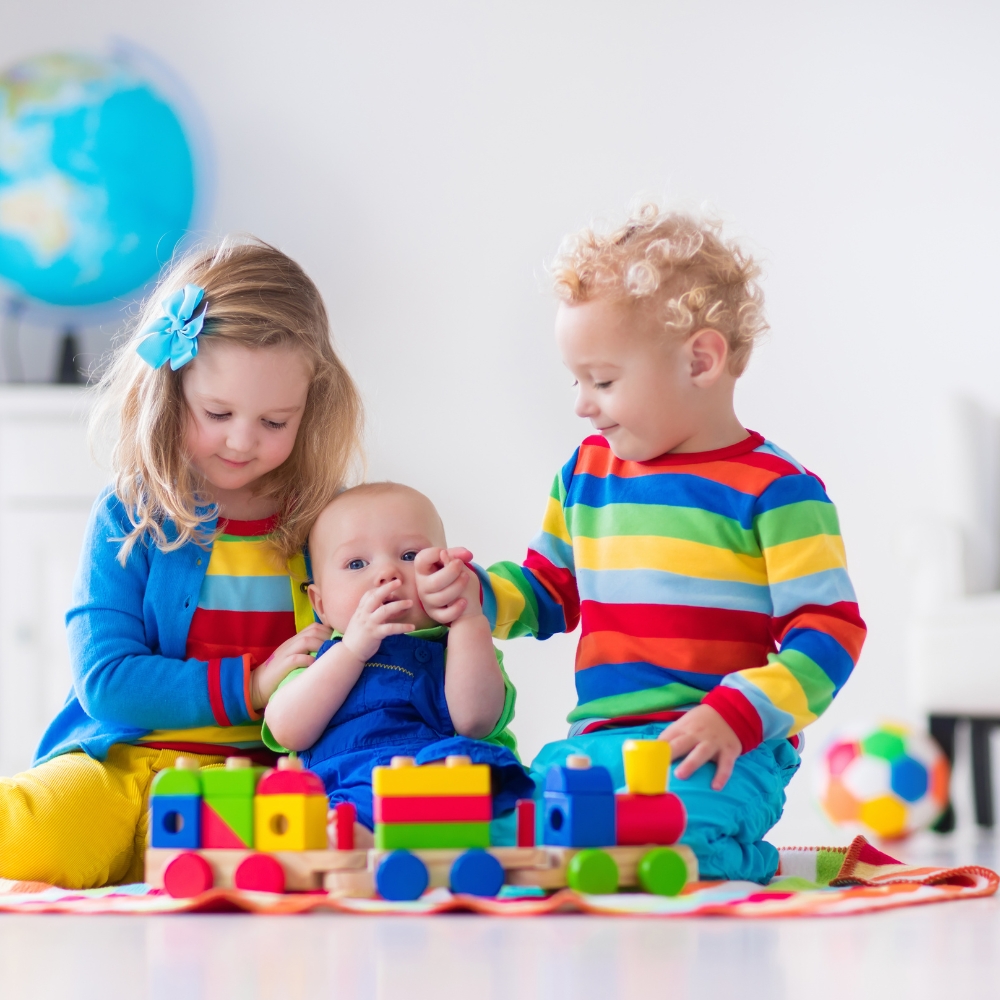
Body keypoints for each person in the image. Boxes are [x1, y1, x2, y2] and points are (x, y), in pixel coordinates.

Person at [418, 205, 867, 882]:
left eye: (602, 380)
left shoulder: (778, 492)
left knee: (673, 837)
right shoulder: (585, 474)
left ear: (701, 359)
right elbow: (547, 591)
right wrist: (475, 595)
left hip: (716, 746)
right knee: (510, 823)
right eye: (577, 381)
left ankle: (744, 859)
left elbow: (829, 633)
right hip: (600, 745)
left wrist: (737, 716)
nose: (582, 404)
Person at [0, 237, 362, 889]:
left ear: (312, 406)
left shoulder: (329, 521)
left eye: (276, 421)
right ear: (170, 391)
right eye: (217, 413)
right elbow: (107, 680)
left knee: (350, 845)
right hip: (126, 767)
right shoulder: (130, 512)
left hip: (264, 780)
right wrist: (251, 687)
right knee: (26, 831)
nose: (243, 440)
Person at [263, 482, 531, 845]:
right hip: (352, 789)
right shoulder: (316, 662)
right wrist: (353, 650)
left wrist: (469, 618)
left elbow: (475, 721)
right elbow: (287, 730)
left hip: (442, 782)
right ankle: (354, 841)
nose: (388, 573)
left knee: (512, 785)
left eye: (409, 556)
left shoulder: (459, 646)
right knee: (310, 810)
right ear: (321, 604)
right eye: (357, 563)